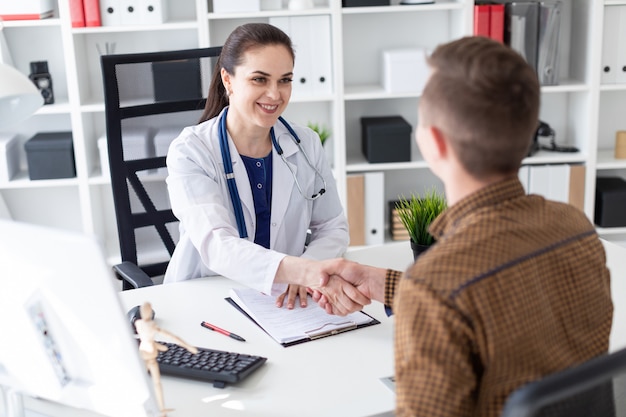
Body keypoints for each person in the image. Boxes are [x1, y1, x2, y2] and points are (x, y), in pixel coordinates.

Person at [316, 36, 613, 417]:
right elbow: (493, 301)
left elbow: (456, 296)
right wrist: (386, 285)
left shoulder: (438, 286)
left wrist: (422, 290)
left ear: (434, 143)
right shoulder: (574, 226)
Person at [164, 23, 356, 310]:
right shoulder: (191, 150)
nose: (275, 94)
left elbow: (332, 227)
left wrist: (307, 268)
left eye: (285, 80)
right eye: (259, 79)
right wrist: (300, 271)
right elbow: (218, 244)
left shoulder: (305, 144)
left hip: (286, 300)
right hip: (207, 299)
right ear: (228, 80)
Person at [134, 302, 198, 415]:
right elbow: (172, 336)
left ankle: (155, 408)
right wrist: (188, 347)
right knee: (155, 382)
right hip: (150, 353)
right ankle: (160, 409)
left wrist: (160, 346)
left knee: (144, 381)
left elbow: (145, 338)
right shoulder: (151, 325)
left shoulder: (138, 323)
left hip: (143, 352)